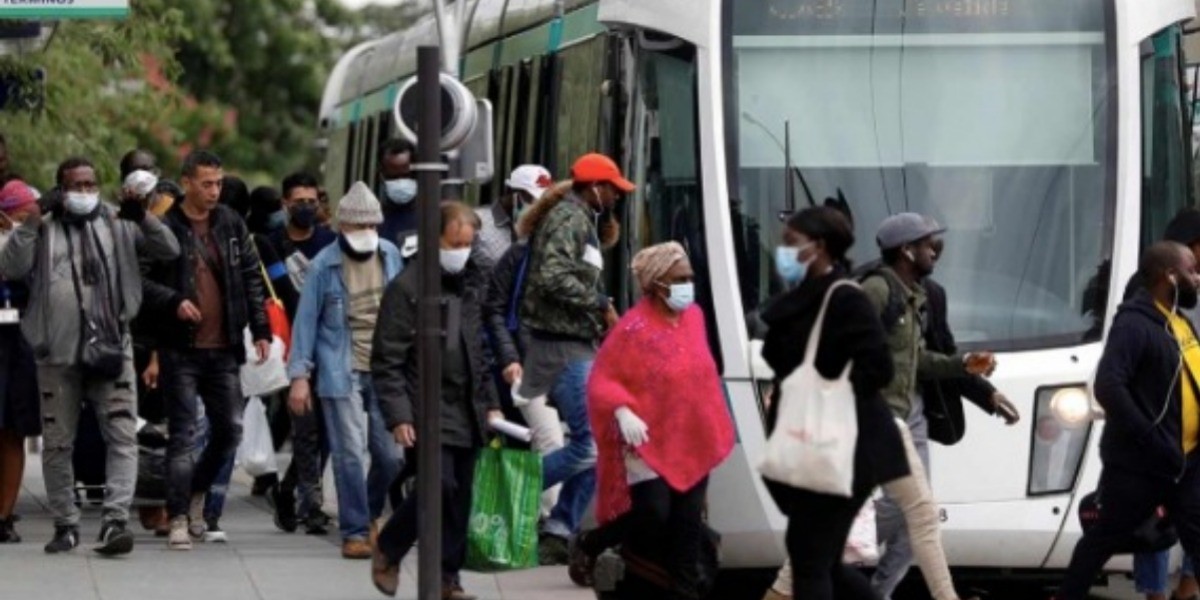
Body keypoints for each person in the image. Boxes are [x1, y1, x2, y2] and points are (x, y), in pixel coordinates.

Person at [0, 157, 180, 555]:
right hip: (55, 355)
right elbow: (10, 266)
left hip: (112, 350)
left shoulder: (119, 221)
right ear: (59, 190)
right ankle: (65, 524)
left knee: (120, 437)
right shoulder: (43, 227)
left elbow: (169, 250)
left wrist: (145, 219)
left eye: (89, 184)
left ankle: (115, 521)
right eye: (74, 186)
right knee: (58, 443)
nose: (83, 192)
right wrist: (31, 218)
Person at [758, 206, 909, 599]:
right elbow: (778, 354)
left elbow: (879, 367)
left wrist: (829, 393)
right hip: (811, 445)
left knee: (809, 558)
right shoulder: (802, 298)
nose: (783, 252)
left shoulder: (845, 298)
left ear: (818, 247)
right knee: (818, 558)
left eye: (791, 244)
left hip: (842, 447)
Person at [578, 241, 735, 598]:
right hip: (647, 440)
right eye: (679, 278)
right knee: (654, 512)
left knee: (687, 527)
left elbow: (701, 375)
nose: (687, 285)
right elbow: (603, 378)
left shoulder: (694, 317)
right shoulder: (632, 329)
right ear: (656, 283)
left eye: (689, 277)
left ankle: (683, 592)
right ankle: (594, 542)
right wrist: (621, 408)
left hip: (692, 437)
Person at [862, 212, 996, 599]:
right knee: (910, 510)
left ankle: (877, 591)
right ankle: (827, 548)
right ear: (906, 250)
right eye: (927, 244)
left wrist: (965, 367)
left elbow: (918, 359)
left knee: (918, 517)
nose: (935, 250)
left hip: (912, 417)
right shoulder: (876, 291)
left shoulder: (921, 296)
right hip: (881, 418)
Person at [370, 200, 501, 600]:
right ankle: (389, 547)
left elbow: (478, 351)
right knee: (437, 485)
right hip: (427, 407)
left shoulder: (473, 282)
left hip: (467, 408)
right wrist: (399, 415)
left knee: (460, 498)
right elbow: (387, 359)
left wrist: (490, 401)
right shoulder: (408, 289)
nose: (462, 250)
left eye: (468, 242)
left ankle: (448, 577)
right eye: (454, 241)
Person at [1055, 241, 1200, 599]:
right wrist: (1151, 437)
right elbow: (1108, 384)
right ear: (1169, 275)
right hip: (1141, 465)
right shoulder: (1135, 324)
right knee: (1103, 538)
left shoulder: (1179, 322)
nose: (1197, 278)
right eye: (1191, 270)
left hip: (1187, 461)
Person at [142, 150, 271, 550]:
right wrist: (174, 300)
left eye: (218, 182)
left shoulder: (231, 223)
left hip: (224, 347)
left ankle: (197, 494)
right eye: (207, 183)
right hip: (180, 348)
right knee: (183, 435)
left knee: (229, 428)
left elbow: (251, 275)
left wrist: (261, 329)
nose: (215, 190)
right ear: (187, 183)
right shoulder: (166, 226)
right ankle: (178, 515)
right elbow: (142, 281)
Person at [514, 152, 630, 564]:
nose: (617, 197)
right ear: (596, 187)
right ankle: (519, 493)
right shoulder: (571, 219)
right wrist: (599, 302)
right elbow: (551, 275)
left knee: (595, 442)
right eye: (613, 190)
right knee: (590, 445)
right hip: (562, 344)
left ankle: (560, 528)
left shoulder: (579, 218)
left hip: (574, 341)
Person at [286, 181, 402, 559]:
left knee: (391, 456)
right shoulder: (324, 265)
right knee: (349, 451)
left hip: (386, 369)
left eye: (372, 225)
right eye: (358, 226)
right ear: (342, 228)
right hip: (341, 369)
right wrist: (299, 377)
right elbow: (305, 323)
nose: (366, 233)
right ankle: (354, 530)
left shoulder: (390, 255)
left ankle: (367, 511)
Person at [0, 180, 42, 544]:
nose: (29, 220)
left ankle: (4, 514)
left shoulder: (36, 244)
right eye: (22, 214)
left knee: (14, 429)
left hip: (21, 343)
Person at [474, 164, 552, 270]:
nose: (535, 206)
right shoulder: (478, 221)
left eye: (542, 200)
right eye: (529, 198)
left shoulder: (543, 226)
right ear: (509, 191)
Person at [375, 138, 418, 249]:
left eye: (406, 176)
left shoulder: (431, 216)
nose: (400, 182)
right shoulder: (373, 221)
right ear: (381, 175)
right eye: (393, 177)